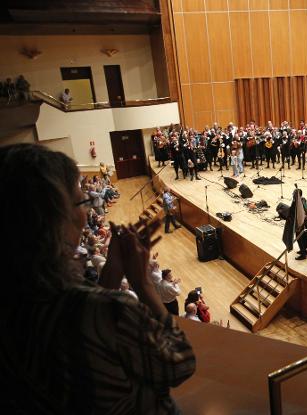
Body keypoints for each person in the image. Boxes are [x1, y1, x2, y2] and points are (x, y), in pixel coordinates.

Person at [0, 143, 195, 413]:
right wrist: (143, 283)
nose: (87, 211)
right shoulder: (108, 309)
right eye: (81, 202)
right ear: (56, 217)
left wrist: (113, 270)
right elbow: (181, 363)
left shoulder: (15, 300)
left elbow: (81, 328)